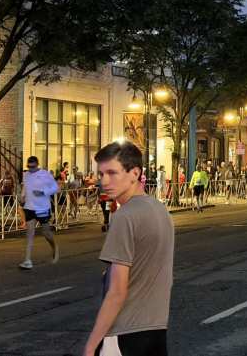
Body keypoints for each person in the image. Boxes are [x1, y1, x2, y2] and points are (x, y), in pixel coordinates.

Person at [83, 141, 174, 356]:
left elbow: (117, 291)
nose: (104, 181)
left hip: (124, 334)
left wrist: (91, 345)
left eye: (112, 173)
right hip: (156, 330)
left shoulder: (124, 216)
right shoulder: (160, 211)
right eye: (101, 174)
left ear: (134, 173)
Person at [18, 156, 60, 270]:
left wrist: (42, 192)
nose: (31, 169)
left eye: (33, 167)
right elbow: (25, 187)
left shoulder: (45, 174)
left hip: (42, 208)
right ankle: (27, 260)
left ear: (37, 165)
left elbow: (56, 188)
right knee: (30, 234)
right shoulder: (26, 175)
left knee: (46, 233)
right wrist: (22, 197)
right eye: (29, 167)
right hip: (29, 208)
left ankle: (54, 247)